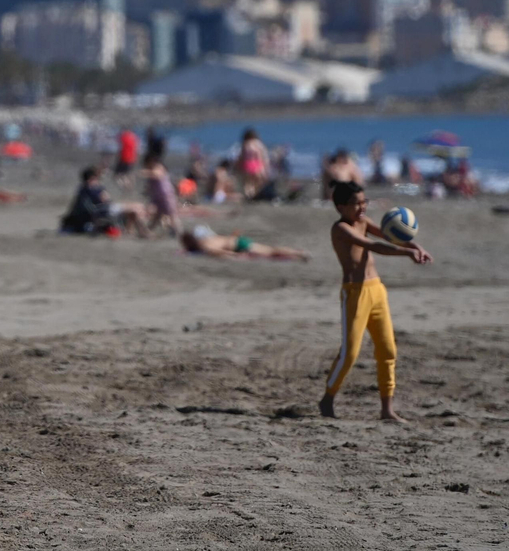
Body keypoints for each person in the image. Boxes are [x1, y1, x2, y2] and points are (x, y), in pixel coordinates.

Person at [318, 180, 432, 421]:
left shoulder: (363, 221)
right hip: (355, 294)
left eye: (364, 202)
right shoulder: (340, 229)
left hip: (377, 290)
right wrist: (406, 253)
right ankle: (328, 398)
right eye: (355, 204)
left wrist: (415, 245)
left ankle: (387, 409)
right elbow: (374, 245)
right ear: (339, 206)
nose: (361, 208)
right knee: (350, 354)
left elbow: (389, 236)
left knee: (388, 349)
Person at [180, 223, 309, 261]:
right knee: (270, 252)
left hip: (239, 244)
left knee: (271, 252)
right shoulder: (206, 238)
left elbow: (216, 251)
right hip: (236, 241)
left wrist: (233, 255)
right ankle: (296, 253)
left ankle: (298, 253)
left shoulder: (203, 244)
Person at [60, 166, 126, 234]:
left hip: (103, 209)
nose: (98, 180)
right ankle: (129, 232)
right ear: (91, 178)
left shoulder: (85, 189)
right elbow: (105, 199)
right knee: (134, 209)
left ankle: (130, 231)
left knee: (135, 209)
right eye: (96, 178)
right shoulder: (89, 189)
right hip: (102, 210)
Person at [141, 152, 180, 237]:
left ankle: (176, 230)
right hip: (157, 196)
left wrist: (145, 173)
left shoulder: (159, 167)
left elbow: (156, 174)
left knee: (171, 214)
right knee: (156, 214)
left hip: (166, 195)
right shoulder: (151, 169)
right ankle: (148, 230)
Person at [236, 128, 269, 198]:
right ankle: (254, 194)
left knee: (247, 183)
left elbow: (241, 156)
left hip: (246, 164)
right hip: (256, 164)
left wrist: (238, 166)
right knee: (257, 182)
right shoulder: (257, 143)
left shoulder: (244, 144)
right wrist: (264, 167)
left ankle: (249, 195)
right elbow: (260, 156)